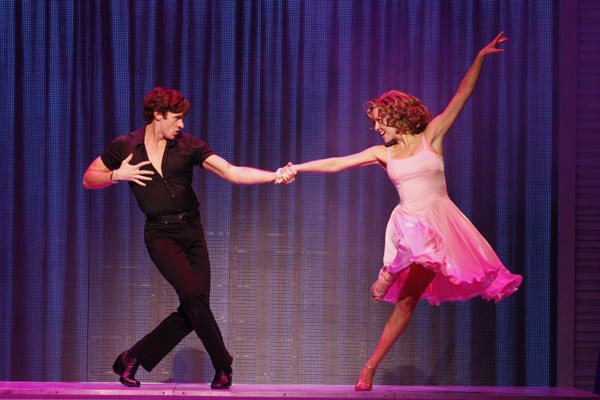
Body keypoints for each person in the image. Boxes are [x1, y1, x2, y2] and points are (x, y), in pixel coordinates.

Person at [287, 32, 523, 391]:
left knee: (408, 301)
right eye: (374, 123)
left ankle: (384, 294)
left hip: (441, 224)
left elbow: (462, 95)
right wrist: (299, 168)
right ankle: (385, 290)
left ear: (396, 116)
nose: (375, 127)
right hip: (410, 224)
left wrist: (479, 57)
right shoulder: (384, 154)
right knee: (413, 253)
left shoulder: (432, 137)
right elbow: (337, 163)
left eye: (379, 121)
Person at [82, 87, 295, 389]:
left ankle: (132, 357)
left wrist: (274, 175)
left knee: (195, 304)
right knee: (194, 299)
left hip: (192, 232)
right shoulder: (125, 147)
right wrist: (116, 175)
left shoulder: (188, 145)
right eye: (177, 118)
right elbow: (89, 178)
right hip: (161, 234)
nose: (182, 124)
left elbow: (231, 172)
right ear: (158, 115)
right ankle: (223, 366)